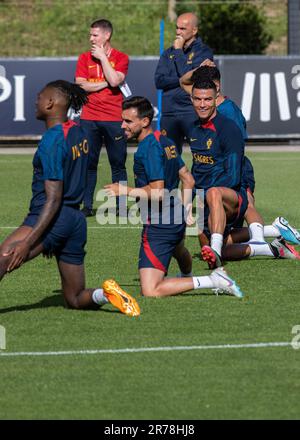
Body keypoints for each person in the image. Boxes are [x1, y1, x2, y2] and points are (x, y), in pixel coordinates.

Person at [0, 80, 140, 317]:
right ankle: (105, 294)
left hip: (54, 216)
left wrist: (29, 242)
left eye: (40, 97)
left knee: (5, 256)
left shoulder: (53, 139)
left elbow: (53, 199)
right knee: (75, 297)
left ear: (51, 103)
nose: (36, 101)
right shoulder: (78, 132)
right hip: (76, 221)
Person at [105, 96, 245, 298]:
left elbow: (158, 192)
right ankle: (186, 275)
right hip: (174, 218)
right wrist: (185, 208)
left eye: (128, 121)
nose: (122, 125)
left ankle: (213, 280)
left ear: (145, 122)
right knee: (178, 250)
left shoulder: (148, 149)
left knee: (151, 290)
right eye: (122, 120)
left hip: (159, 224)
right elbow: (188, 178)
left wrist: (123, 190)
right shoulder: (165, 141)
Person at [180, 65, 300, 248]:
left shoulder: (228, 114)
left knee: (248, 206)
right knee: (210, 239)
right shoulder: (200, 107)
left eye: (207, 97)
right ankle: (273, 236)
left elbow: (236, 148)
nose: (202, 102)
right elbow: (183, 82)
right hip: (215, 176)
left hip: (236, 167)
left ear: (217, 88)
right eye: (197, 97)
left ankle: (259, 241)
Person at [75, 19, 129, 217]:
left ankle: (121, 207)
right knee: (88, 162)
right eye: (90, 35)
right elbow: (81, 85)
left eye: (95, 35)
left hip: (114, 118)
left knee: (118, 163)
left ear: (107, 36)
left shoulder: (121, 57)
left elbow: (116, 80)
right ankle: (87, 206)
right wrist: (106, 83)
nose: (91, 39)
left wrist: (103, 59)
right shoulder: (83, 58)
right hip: (89, 118)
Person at [154, 12, 213, 154]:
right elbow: (159, 81)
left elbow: (196, 78)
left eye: (183, 29)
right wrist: (182, 80)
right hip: (169, 114)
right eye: (177, 28)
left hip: (191, 111)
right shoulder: (168, 53)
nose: (178, 32)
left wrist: (179, 51)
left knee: (201, 154)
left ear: (194, 30)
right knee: (169, 157)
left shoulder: (203, 51)